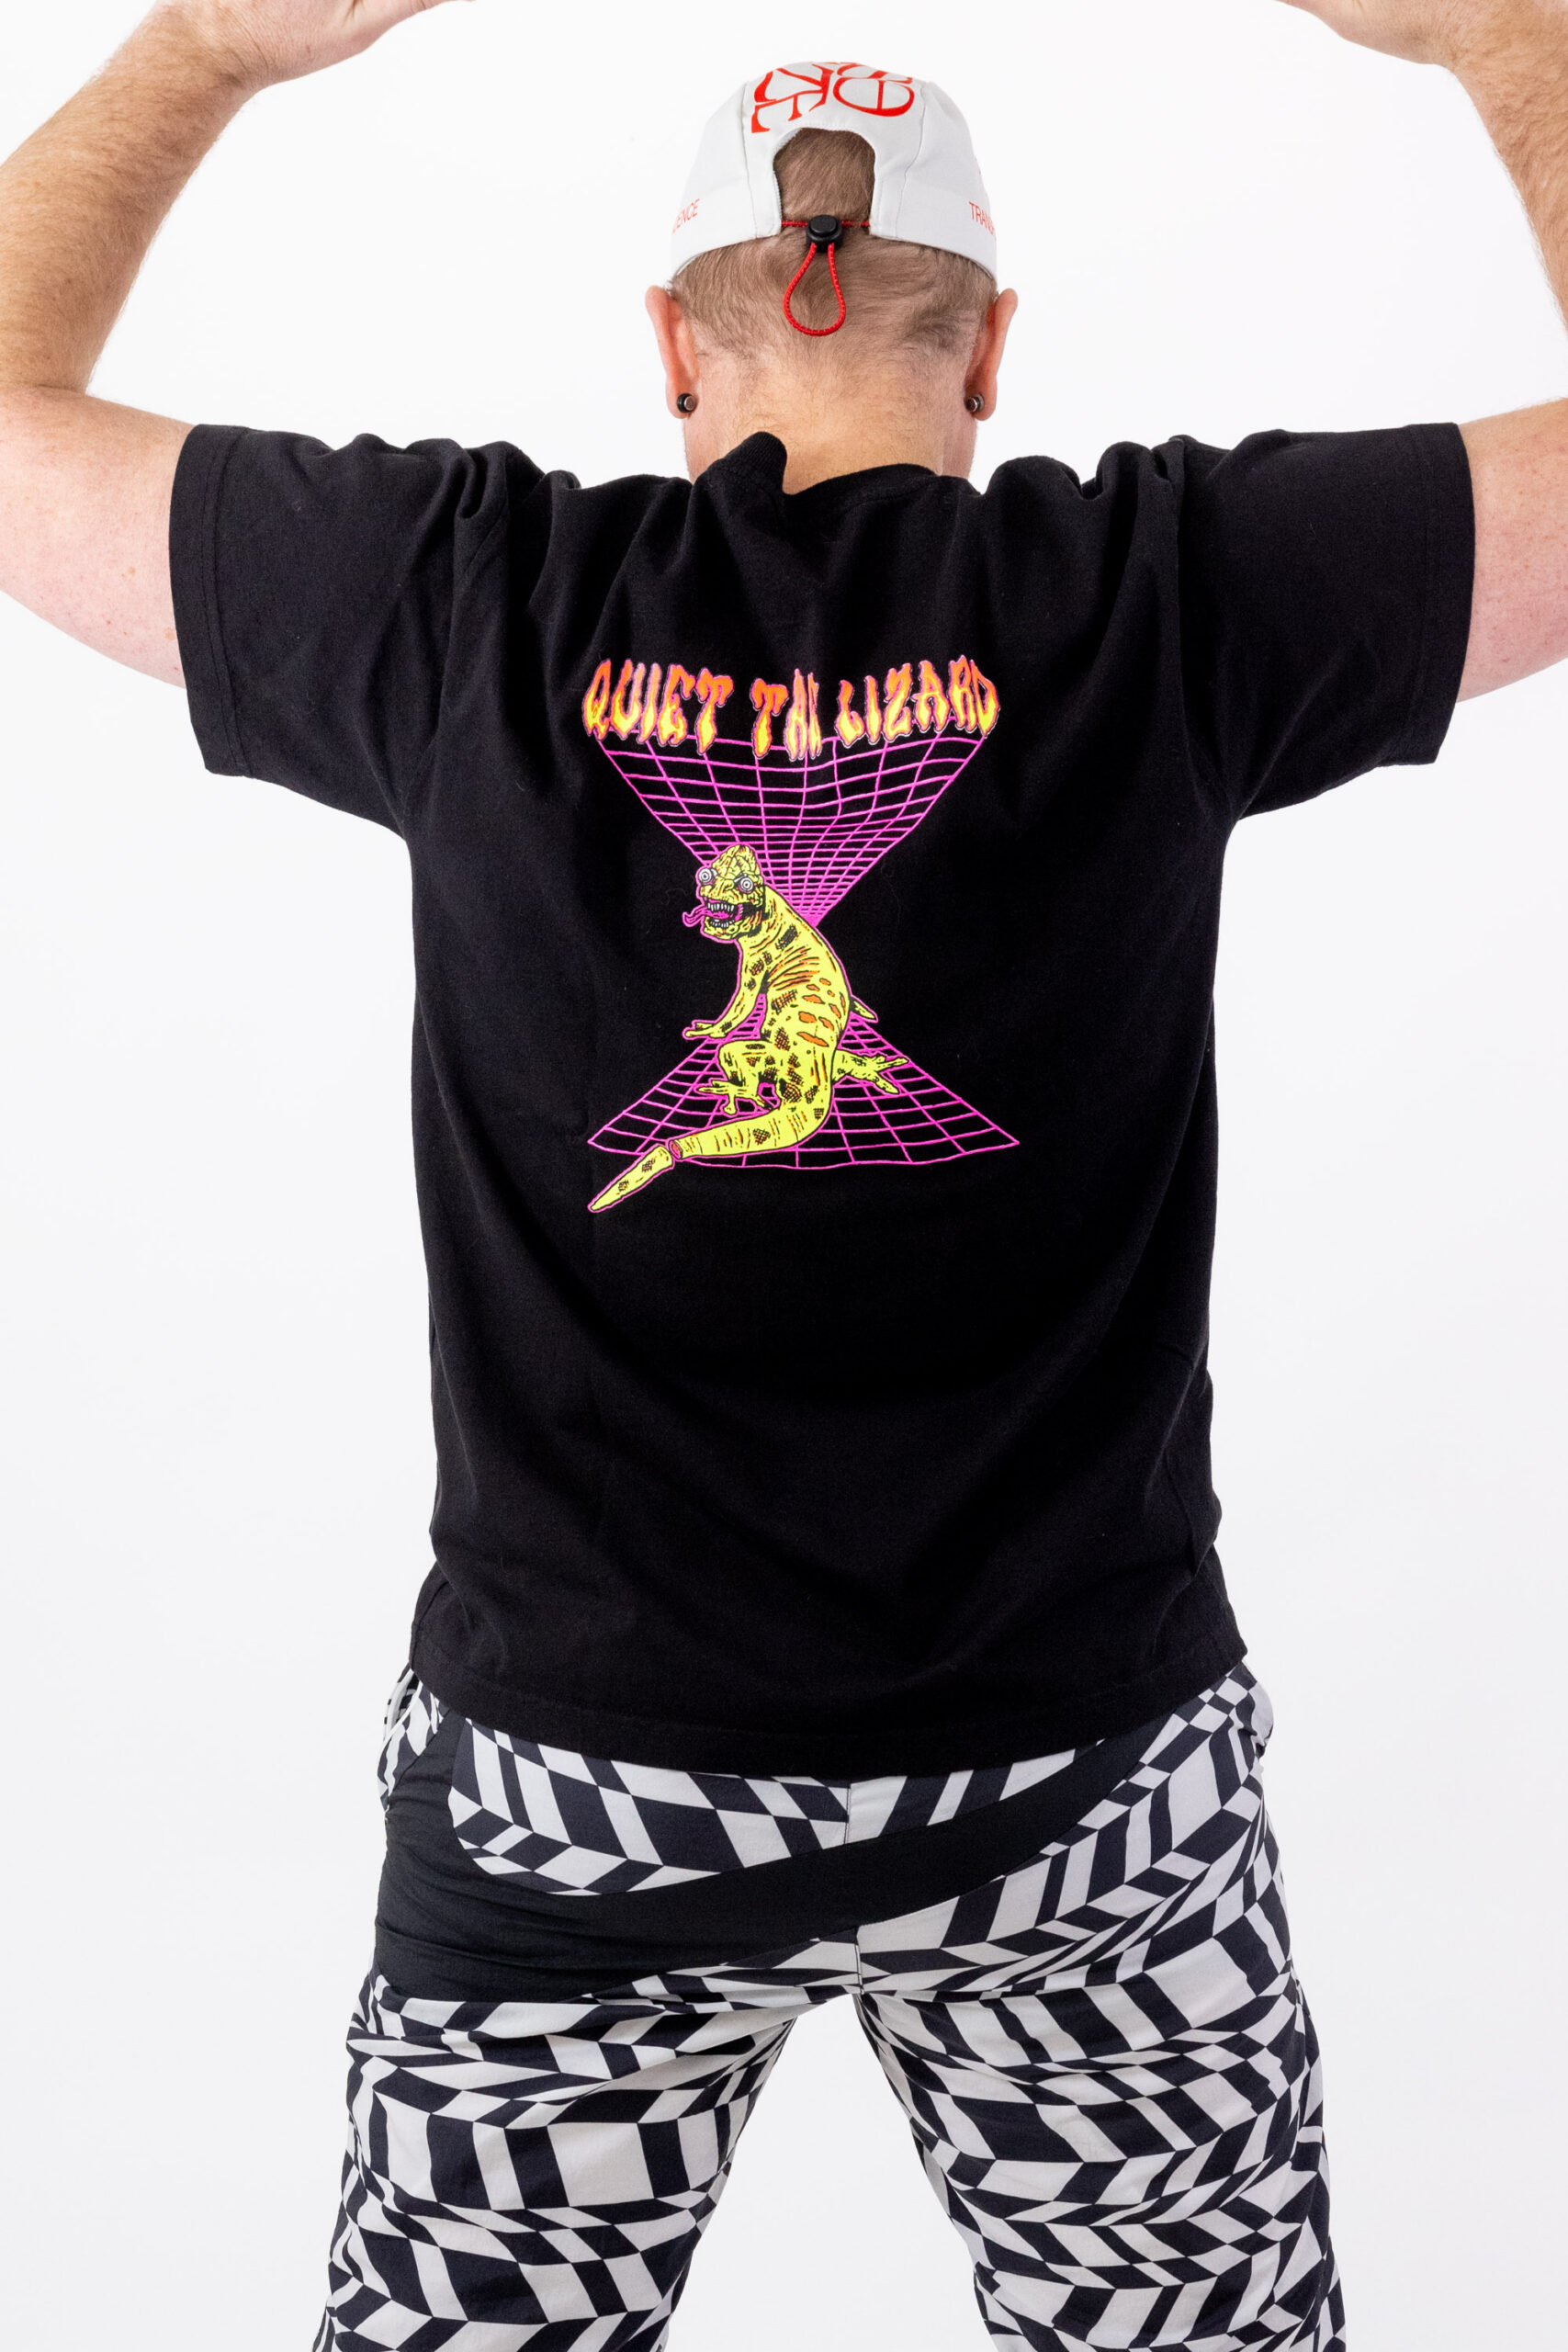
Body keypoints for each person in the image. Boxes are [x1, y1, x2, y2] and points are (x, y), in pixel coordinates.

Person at [2, 3, 1564, 2346]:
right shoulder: (1171, 590)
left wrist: (208, 48)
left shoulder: (463, 594)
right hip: (1078, 1794)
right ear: (991, 343)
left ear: (670, 342)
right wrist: (1499, 33)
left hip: (576, 1800)